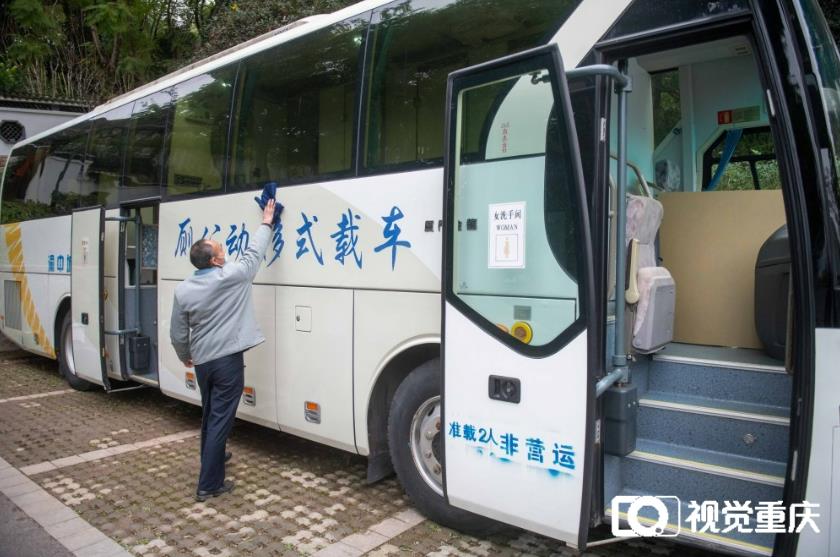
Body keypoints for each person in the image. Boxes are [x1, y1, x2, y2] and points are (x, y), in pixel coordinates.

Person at [170, 199, 277, 502]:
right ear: (216, 261)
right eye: (220, 249)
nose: (224, 250)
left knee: (210, 414)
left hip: (203, 361)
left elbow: (177, 332)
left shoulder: (183, 290)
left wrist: (184, 355)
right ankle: (209, 484)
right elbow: (254, 253)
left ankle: (213, 458)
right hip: (227, 362)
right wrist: (266, 222)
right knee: (220, 419)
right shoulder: (232, 276)